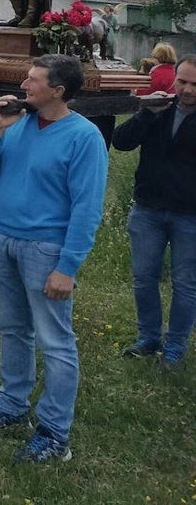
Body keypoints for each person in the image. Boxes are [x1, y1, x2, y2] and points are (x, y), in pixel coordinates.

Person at [0, 54, 108, 463]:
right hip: (0, 239)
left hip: (45, 250)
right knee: (13, 330)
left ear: (58, 91)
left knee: (55, 342)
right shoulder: (17, 124)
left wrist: (67, 267)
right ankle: (12, 405)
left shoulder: (84, 138)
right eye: (25, 78)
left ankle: (53, 432)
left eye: (33, 80)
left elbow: (87, 208)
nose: (24, 86)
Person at [112, 55, 196, 367]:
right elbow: (120, 142)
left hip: (190, 214)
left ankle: (175, 346)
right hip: (148, 208)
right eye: (182, 81)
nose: (186, 89)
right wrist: (146, 113)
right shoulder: (159, 109)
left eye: (194, 84)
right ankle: (149, 337)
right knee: (144, 277)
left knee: (186, 283)